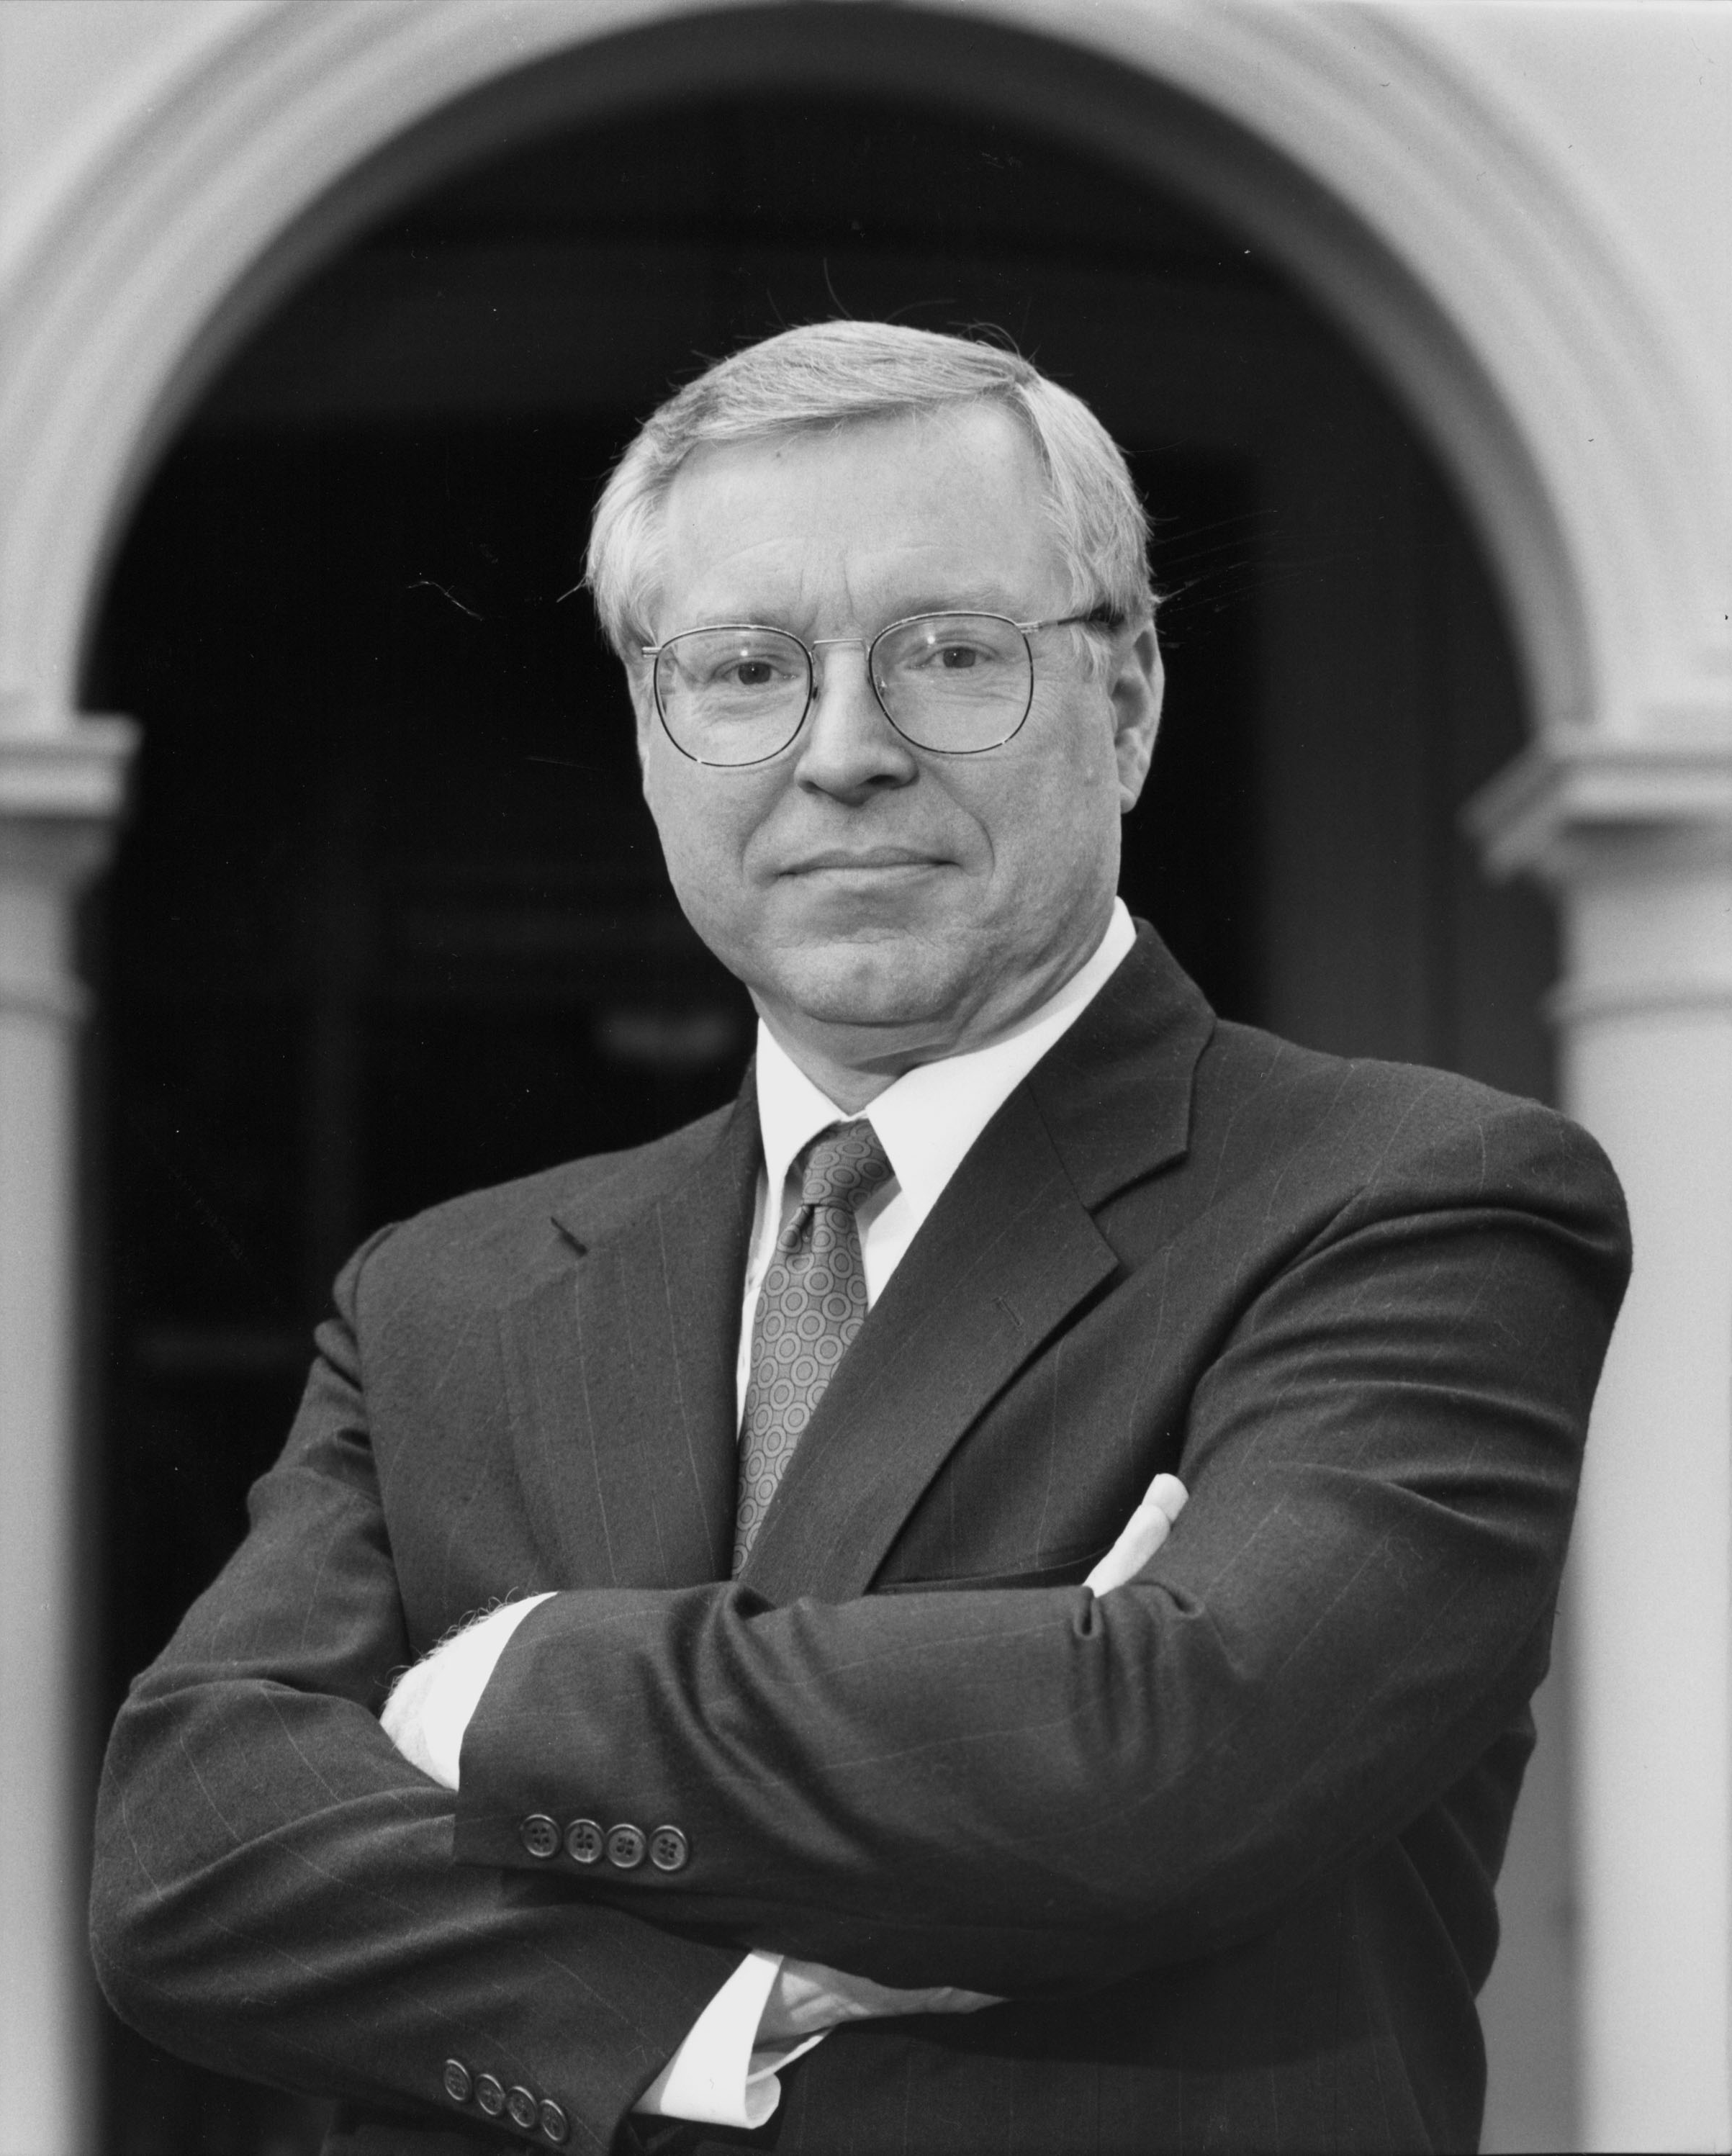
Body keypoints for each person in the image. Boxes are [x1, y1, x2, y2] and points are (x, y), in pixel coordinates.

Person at [91, 321, 1630, 2156]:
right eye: (746, 671)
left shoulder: (1414, 1200)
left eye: (951, 654)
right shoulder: (445, 1295)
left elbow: (1174, 1756)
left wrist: (502, 1686)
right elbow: (187, 1855)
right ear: (652, 741)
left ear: (1130, 700)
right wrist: (720, 2007)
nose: (843, 755)